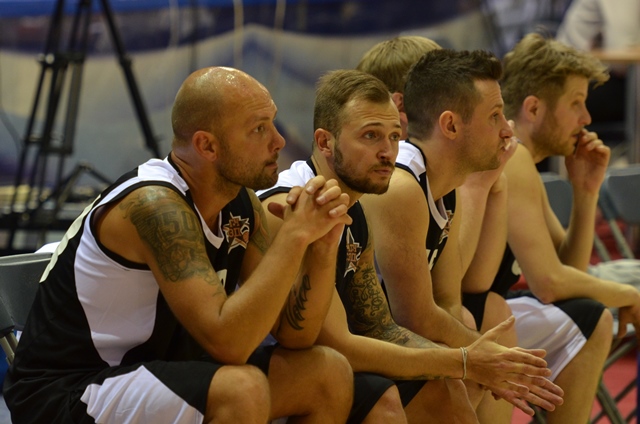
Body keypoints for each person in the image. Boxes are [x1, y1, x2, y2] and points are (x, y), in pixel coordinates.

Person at [3, 67, 356, 423]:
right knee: (241, 389)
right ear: (207, 146)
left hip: (156, 375)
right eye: (258, 129)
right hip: (66, 392)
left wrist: (322, 246)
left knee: (327, 374)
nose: (278, 141)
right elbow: (229, 344)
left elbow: (295, 335)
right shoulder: (155, 205)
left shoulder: (241, 204)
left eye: (273, 123)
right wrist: (293, 237)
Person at [258, 68, 564, 423]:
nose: (387, 152)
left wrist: (473, 360)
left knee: (446, 387)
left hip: (323, 362)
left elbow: (380, 326)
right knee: (393, 397)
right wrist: (465, 361)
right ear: (325, 142)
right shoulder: (289, 208)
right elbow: (337, 342)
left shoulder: (354, 206)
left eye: (393, 137)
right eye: (371, 136)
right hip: (270, 367)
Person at [468, 32, 640, 424]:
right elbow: (550, 283)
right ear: (533, 108)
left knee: (584, 312)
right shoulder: (513, 157)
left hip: (483, 311)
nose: (586, 119)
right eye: (576, 103)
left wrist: (585, 192)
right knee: (591, 318)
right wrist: (628, 293)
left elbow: (568, 272)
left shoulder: (521, 159)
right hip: (468, 317)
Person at [356, 37, 529, 423]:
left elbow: (449, 297)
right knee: (459, 378)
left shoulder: (445, 182)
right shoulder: (401, 185)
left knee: (469, 331)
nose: (507, 130)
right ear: (449, 124)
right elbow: (414, 317)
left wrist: (481, 356)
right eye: (495, 116)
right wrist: (485, 357)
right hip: (345, 341)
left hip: (385, 336)